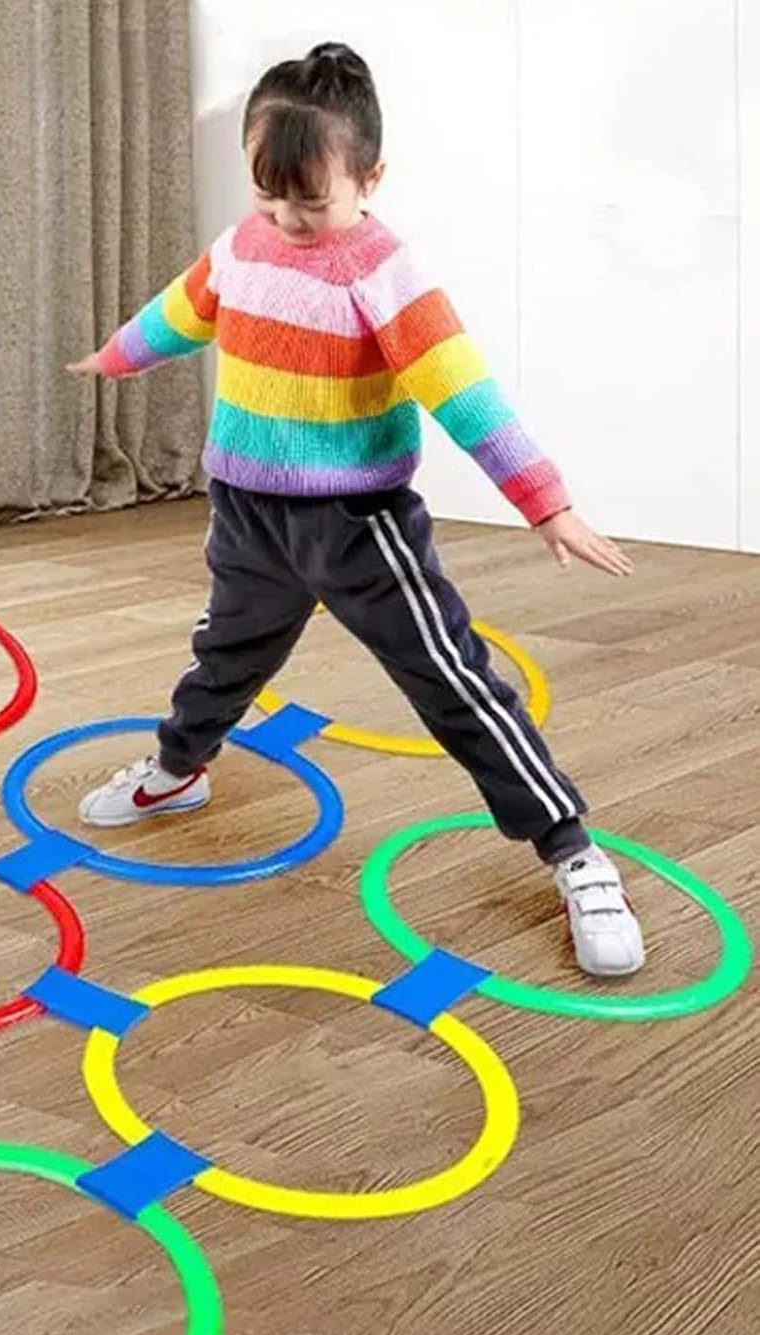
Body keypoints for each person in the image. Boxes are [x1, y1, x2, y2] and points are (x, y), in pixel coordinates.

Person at [67, 41, 644, 978]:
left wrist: (545, 502)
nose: (287, 219)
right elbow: (185, 308)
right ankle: (176, 771)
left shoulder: (383, 273)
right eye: (268, 194)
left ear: (370, 179)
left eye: (311, 201)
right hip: (247, 514)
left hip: (358, 526)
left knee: (452, 682)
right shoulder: (242, 245)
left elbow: (463, 392)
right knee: (224, 655)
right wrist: (119, 355)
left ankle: (573, 850)